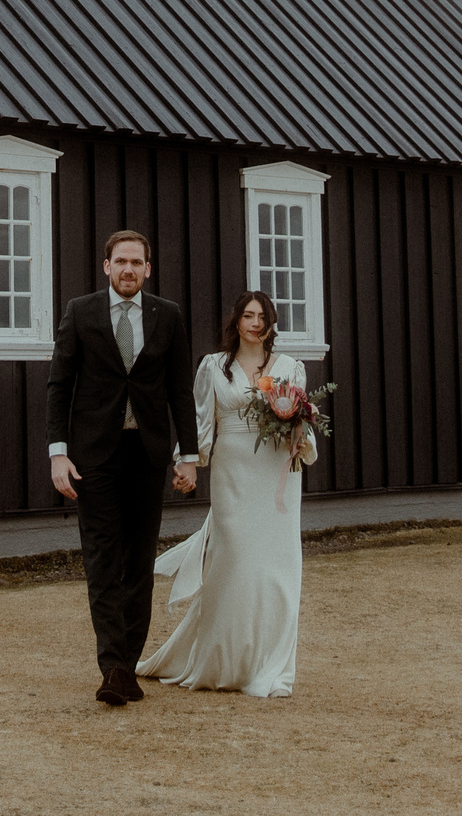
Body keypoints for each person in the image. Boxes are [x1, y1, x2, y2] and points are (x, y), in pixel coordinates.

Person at [45, 228, 201, 707]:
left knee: (138, 563)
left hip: (148, 456)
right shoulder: (81, 311)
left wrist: (189, 457)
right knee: (101, 560)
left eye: (137, 262)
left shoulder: (167, 315)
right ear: (107, 266)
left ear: (148, 269)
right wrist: (58, 452)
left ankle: (128, 664)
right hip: (94, 458)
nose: (129, 269)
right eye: (121, 262)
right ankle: (112, 667)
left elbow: (179, 389)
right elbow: (60, 386)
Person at [136, 290, 315, 698]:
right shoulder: (214, 367)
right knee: (233, 562)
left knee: (276, 569)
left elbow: (300, 425)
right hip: (232, 471)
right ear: (236, 321)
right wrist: (189, 464)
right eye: (247, 315)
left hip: (275, 475)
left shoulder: (290, 367)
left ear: (271, 324)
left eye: (262, 316)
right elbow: (202, 421)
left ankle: (266, 663)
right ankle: (222, 660)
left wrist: (301, 423)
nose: (255, 323)